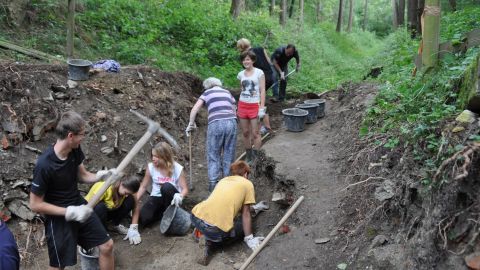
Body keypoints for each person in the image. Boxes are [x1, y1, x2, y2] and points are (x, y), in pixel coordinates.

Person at [29, 111, 115, 270]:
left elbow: (82, 175)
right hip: (58, 217)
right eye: (82, 134)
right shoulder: (44, 165)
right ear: (70, 136)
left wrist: (100, 176)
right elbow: (34, 204)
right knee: (58, 266)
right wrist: (69, 212)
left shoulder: (74, 149)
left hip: (80, 206)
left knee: (107, 246)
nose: (83, 137)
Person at [190, 160, 265, 266]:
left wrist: (255, 208)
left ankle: (199, 231)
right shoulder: (248, 184)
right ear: (245, 174)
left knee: (213, 220)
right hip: (215, 231)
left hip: (196, 217)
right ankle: (209, 243)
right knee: (242, 225)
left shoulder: (223, 180)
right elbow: (245, 213)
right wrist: (250, 239)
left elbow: (226, 204)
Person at [185, 77, 237, 192]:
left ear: (208, 85)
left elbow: (195, 109)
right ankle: (227, 181)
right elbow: (234, 108)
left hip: (216, 123)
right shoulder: (227, 92)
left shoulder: (207, 92)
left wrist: (191, 124)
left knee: (213, 152)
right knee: (229, 151)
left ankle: (213, 183)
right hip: (231, 122)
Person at [134, 142, 189, 229]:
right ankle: (163, 214)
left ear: (165, 157)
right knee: (143, 219)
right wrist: (134, 200)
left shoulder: (177, 168)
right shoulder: (151, 167)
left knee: (166, 186)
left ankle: (171, 211)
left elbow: (185, 189)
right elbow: (143, 186)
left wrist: (180, 196)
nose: (153, 159)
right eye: (152, 155)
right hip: (157, 197)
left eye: (156, 156)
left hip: (172, 197)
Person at [236, 38, 274, 135]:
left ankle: (265, 126)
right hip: (270, 75)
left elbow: (248, 71)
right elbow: (269, 62)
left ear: (241, 47)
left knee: (258, 101)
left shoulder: (246, 56)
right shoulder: (260, 48)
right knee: (260, 100)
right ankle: (266, 126)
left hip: (260, 78)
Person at [237, 50, 266, 163]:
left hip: (255, 105)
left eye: (248, 59)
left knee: (255, 133)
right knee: (245, 132)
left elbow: (262, 90)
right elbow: (242, 90)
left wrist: (262, 108)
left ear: (252, 60)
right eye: (244, 59)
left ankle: (256, 158)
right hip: (243, 105)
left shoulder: (259, 73)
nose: (246, 61)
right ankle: (249, 156)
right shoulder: (240, 74)